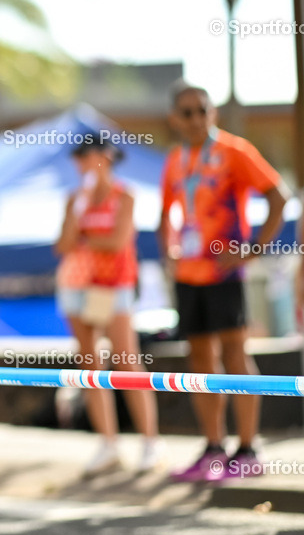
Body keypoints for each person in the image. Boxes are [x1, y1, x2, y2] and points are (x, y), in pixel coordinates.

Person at [160, 81, 288, 482]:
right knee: (199, 359)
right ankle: (213, 449)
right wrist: (169, 252)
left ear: (212, 113)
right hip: (189, 274)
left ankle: (248, 449)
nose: (196, 119)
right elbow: (165, 214)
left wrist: (250, 250)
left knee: (235, 355)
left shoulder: (235, 151)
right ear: (174, 119)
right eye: (187, 112)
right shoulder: (176, 160)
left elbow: (278, 197)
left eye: (203, 110)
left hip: (225, 271)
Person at [54, 135, 160, 476]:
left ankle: (150, 442)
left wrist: (84, 239)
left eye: (88, 156)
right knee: (89, 364)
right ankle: (108, 443)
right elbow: (63, 243)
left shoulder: (124, 195)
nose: (82, 164)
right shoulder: (75, 198)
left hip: (113, 286)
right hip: (78, 285)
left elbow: (117, 241)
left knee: (127, 360)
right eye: (79, 157)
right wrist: (81, 209)